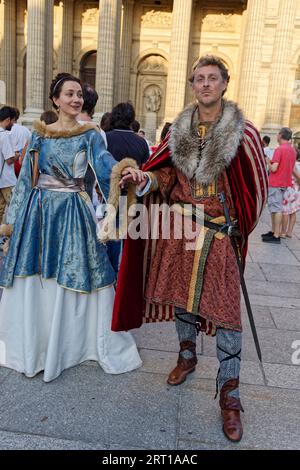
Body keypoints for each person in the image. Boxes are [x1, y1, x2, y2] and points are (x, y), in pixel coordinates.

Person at [108, 55, 268, 443]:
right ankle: (186, 354)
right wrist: (142, 177)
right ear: (192, 85)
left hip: (219, 234)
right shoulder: (177, 131)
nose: (206, 84)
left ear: (225, 84)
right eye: (199, 79)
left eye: (213, 78)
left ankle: (230, 397)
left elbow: (254, 187)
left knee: (228, 316)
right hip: (179, 231)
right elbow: (163, 172)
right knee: (182, 300)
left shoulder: (242, 132)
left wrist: (239, 228)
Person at [0, 73, 144, 382]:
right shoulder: (40, 134)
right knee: (37, 274)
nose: (76, 99)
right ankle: (35, 343)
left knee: (79, 271)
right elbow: (26, 178)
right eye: (69, 94)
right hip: (39, 211)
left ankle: (71, 345)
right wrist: (11, 222)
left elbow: (105, 166)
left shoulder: (90, 134)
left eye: (79, 94)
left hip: (74, 210)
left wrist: (124, 172)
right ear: (56, 99)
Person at [262, 128, 299, 243]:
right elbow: (292, 168)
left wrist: (267, 160)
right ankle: (274, 231)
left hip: (276, 182)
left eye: (278, 134)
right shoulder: (293, 150)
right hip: (285, 183)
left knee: (276, 209)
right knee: (275, 208)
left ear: (281, 135)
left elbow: (274, 168)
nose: (276, 136)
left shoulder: (279, 149)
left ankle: (276, 235)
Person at [0, 106, 18, 227]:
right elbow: (9, 160)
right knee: (15, 209)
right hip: (7, 180)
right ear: (7, 120)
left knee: (0, 210)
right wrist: (17, 155)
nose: (14, 123)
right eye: (13, 120)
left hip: (1, 180)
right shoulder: (4, 135)